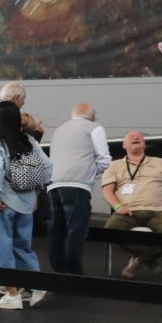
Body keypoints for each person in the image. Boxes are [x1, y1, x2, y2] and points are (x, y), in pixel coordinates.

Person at [0, 104, 51, 309]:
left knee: (0, 246)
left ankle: (12, 294)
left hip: (3, 202)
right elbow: (47, 165)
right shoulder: (28, 141)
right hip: (26, 202)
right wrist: (36, 194)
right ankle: (36, 286)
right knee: (22, 246)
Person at [102, 130, 162, 278]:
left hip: (157, 212)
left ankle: (139, 260)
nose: (136, 137)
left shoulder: (160, 163)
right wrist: (118, 207)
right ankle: (149, 258)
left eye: (139, 137)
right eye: (131, 137)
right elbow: (107, 191)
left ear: (144, 144)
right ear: (124, 145)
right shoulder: (114, 166)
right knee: (111, 230)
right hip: (127, 211)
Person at [45, 103, 111, 274]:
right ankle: (74, 274)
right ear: (93, 116)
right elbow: (105, 160)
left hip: (54, 184)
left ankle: (58, 272)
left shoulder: (59, 130)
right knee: (76, 230)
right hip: (78, 185)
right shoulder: (94, 127)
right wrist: (89, 173)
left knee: (56, 231)